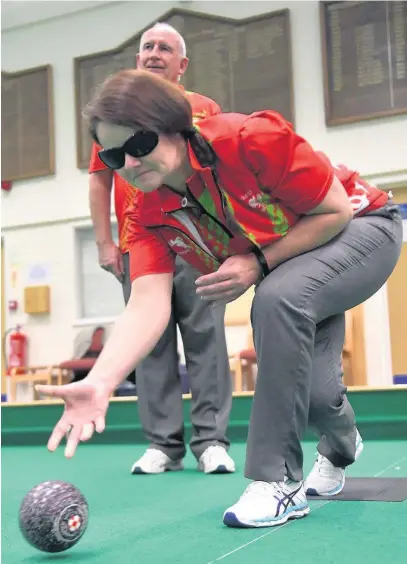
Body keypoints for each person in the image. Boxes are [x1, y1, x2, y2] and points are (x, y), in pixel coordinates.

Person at [37, 70, 402, 529]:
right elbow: (148, 303)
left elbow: (335, 211)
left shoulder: (249, 139)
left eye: (139, 144)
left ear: (174, 125)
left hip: (363, 228)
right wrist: (103, 380)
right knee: (319, 392)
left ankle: (279, 480)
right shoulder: (146, 213)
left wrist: (256, 264)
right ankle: (341, 447)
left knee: (273, 298)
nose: (128, 163)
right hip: (293, 267)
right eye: (113, 155)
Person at [87, 23, 235, 475]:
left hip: (195, 239)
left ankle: (211, 441)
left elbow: (219, 171)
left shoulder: (203, 109)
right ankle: (163, 445)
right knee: (148, 342)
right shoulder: (115, 117)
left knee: (205, 337)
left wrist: (228, 240)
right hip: (139, 244)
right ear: (138, 60)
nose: (154, 53)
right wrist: (104, 242)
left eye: (165, 48)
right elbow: (99, 177)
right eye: (147, 47)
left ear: (181, 64)